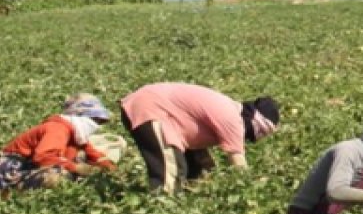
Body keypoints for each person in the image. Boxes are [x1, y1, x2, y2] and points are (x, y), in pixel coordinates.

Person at [119, 82, 280, 193]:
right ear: (253, 121)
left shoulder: (227, 108)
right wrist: (251, 190)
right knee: (171, 172)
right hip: (150, 108)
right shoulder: (233, 119)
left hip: (160, 111)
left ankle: (183, 205)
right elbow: (239, 165)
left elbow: (198, 146)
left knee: (200, 169)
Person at [0, 93, 117, 192]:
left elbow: (94, 155)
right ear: (80, 116)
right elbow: (43, 157)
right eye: (96, 120)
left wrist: (113, 171)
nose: (97, 125)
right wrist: (77, 168)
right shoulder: (57, 128)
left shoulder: (76, 134)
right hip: (12, 172)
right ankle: (11, 190)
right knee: (57, 177)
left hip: (34, 167)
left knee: (82, 159)